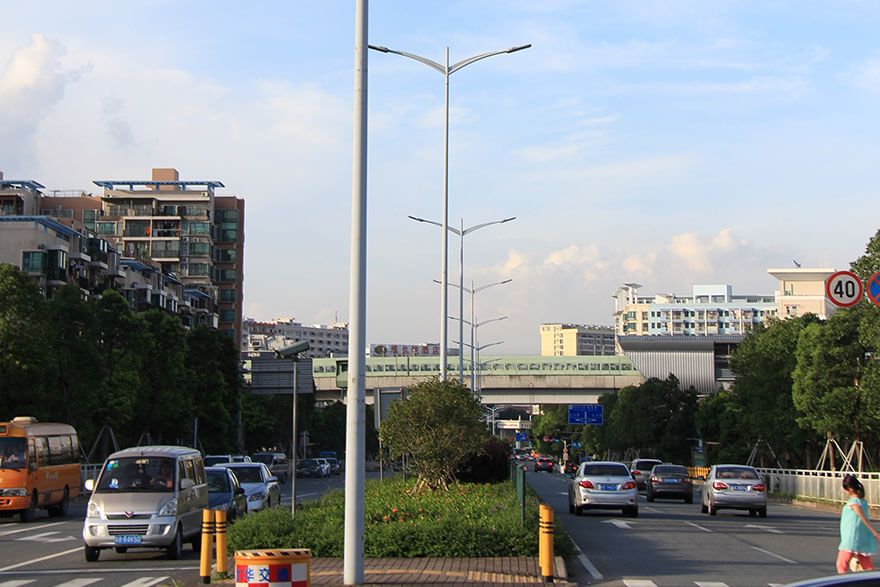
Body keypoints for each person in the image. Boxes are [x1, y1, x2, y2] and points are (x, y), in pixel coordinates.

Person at [837, 474, 880, 574]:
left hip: (852, 539)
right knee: (867, 566)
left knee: (841, 564)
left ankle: (842, 583)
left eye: (845, 489)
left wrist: (875, 533)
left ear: (851, 489)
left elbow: (863, 519)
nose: (845, 491)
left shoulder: (853, 502)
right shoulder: (863, 501)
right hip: (861, 538)